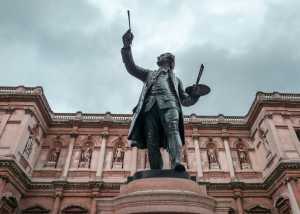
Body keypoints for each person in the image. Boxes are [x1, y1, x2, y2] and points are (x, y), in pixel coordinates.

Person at [121, 30, 201, 171]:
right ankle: (156, 169)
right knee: (151, 139)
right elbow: (131, 67)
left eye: (162, 55)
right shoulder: (149, 74)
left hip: (170, 105)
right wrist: (126, 46)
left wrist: (195, 95)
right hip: (149, 107)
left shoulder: (177, 80)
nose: (158, 56)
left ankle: (177, 162)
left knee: (173, 130)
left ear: (169, 61)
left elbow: (185, 101)